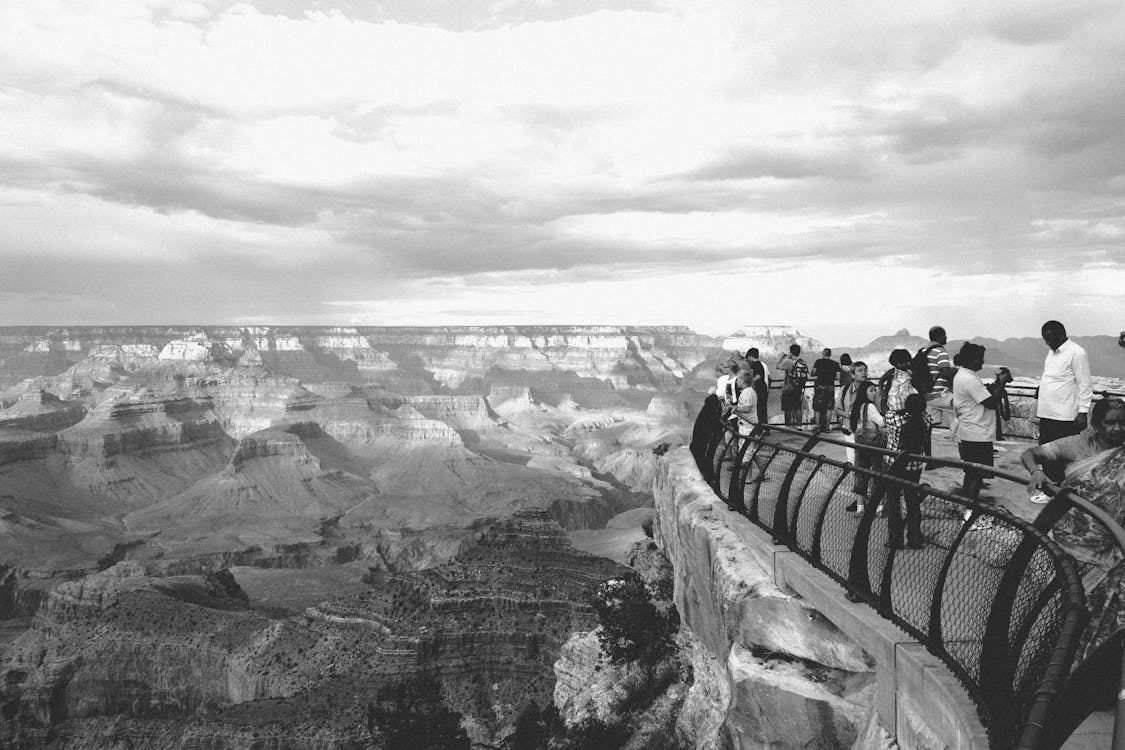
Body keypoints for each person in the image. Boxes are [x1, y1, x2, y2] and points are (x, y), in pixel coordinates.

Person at [1021, 397, 1125, 498]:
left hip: (1111, 515)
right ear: (1095, 424)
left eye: (1123, 423)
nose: (1118, 428)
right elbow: (1029, 454)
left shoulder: (1121, 453)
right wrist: (1036, 472)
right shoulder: (1076, 444)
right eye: (1110, 423)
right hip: (1076, 510)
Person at [952, 343, 1012, 501]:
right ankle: (971, 507)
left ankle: (966, 504)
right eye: (980, 359)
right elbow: (991, 403)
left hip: (968, 431)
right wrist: (1002, 382)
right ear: (973, 360)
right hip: (977, 434)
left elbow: (983, 396)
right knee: (977, 475)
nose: (982, 363)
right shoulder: (970, 379)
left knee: (971, 472)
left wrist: (997, 383)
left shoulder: (962, 375)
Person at [1037, 321, 1093, 483]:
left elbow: (1085, 384)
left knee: (1063, 455)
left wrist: (1082, 412)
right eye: (1045, 339)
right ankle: (1051, 488)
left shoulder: (1077, 353)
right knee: (1046, 453)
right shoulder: (1051, 352)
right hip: (1047, 414)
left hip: (1065, 416)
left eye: (1050, 338)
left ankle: (1064, 490)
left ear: (1061, 335)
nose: (1047, 342)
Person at [884, 393, 933, 549]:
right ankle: (914, 538)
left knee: (893, 502)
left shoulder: (894, 419)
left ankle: (895, 540)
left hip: (894, 463)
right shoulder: (926, 419)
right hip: (914, 466)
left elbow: (889, 411)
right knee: (912, 501)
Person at [846, 381, 886, 512]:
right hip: (873, 445)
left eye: (875, 390)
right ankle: (879, 507)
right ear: (865, 392)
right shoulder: (870, 407)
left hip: (860, 443)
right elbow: (881, 422)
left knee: (860, 474)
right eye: (871, 390)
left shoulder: (857, 406)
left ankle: (860, 506)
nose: (874, 393)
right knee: (877, 475)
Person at [838, 361, 868, 463]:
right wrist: (848, 415)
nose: (864, 373)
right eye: (860, 371)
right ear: (852, 375)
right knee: (851, 460)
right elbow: (837, 409)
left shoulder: (870, 390)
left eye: (865, 370)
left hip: (866, 433)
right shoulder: (845, 389)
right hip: (849, 431)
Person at [777, 344, 808, 426]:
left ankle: (788, 426)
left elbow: (777, 366)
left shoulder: (788, 361)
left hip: (788, 387)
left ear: (791, 352)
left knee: (787, 408)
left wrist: (781, 357)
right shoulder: (802, 362)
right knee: (798, 407)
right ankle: (799, 426)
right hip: (798, 388)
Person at [811, 348, 841, 432]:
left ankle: (817, 426)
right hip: (830, 387)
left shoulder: (818, 361)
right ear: (830, 354)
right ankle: (827, 428)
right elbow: (838, 377)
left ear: (823, 354)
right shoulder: (835, 364)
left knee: (817, 407)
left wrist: (820, 373)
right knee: (829, 407)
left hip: (819, 386)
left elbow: (812, 373)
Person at [744, 348, 769, 425]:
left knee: (760, 408)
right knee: (762, 408)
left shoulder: (756, 364)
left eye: (748, 357)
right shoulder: (759, 364)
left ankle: (762, 426)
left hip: (760, 388)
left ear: (751, 356)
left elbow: (758, 376)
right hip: (762, 387)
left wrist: (750, 382)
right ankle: (765, 426)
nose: (748, 360)